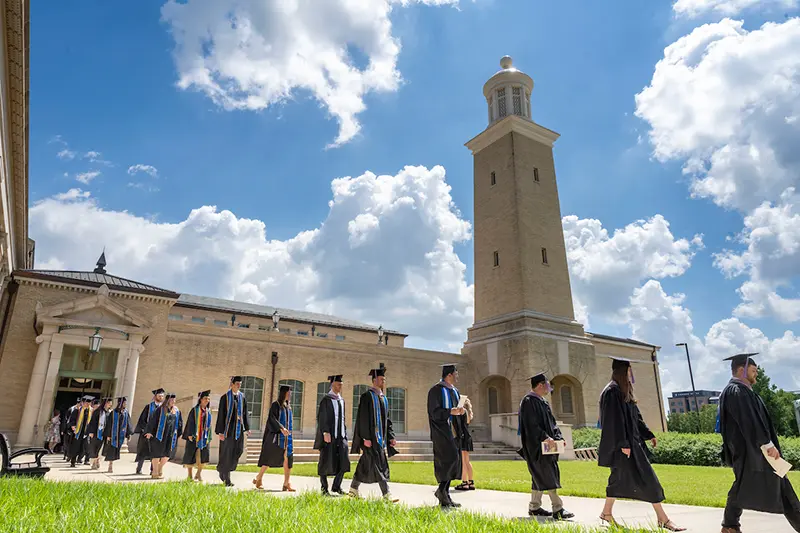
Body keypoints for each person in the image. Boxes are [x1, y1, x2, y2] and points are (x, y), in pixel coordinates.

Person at [598, 358, 685, 531]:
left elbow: (635, 417)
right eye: (629, 370)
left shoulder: (624, 390)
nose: (632, 374)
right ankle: (663, 519)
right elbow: (612, 422)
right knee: (649, 479)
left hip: (632, 444)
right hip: (623, 446)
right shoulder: (611, 391)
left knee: (617, 479)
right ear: (623, 372)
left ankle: (606, 513)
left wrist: (648, 434)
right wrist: (623, 444)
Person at [719, 353, 800, 533]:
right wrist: (767, 444)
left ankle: (730, 525)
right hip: (753, 450)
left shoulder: (740, 390)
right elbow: (749, 421)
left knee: (748, 484)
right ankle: (729, 525)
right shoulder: (737, 391)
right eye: (754, 370)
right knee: (779, 484)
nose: (757, 374)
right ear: (741, 370)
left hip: (752, 450)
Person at [518, 373, 574, 520]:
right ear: (541, 385)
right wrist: (545, 437)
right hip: (536, 446)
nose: (549, 388)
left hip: (549, 446)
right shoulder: (528, 401)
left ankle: (534, 507)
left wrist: (559, 438)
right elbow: (531, 425)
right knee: (548, 474)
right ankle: (558, 508)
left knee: (540, 475)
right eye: (548, 385)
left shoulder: (543, 402)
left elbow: (553, 424)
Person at [350, 367, 398, 502]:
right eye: (381, 379)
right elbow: (363, 419)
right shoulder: (367, 396)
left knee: (365, 464)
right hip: (371, 439)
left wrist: (391, 436)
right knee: (379, 465)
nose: (384, 380)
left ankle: (353, 489)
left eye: (384, 379)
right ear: (374, 380)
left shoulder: (383, 398)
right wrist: (365, 437)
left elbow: (387, 420)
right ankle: (386, 495)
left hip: (380, 439)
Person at [428, 364, 464, 508]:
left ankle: (444, 493)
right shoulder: (435, 391)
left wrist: (461, 412)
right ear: (449, 375)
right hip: (441, 432)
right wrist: (450, 411)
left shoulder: (455, 391)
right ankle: (442, 491)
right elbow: (434, 412)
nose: (457, 376)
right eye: (456, 374)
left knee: (454, 460)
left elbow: (455, 411)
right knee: (448, 460)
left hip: (454, 432)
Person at [253, 384, 295, 491]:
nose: (290, 395)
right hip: (276, 438)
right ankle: (259, 478)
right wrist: (281, 428)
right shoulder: (276, 405)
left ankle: (287, 483)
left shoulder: (288, 407)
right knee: (268, 459)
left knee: (288, 459)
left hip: (287, 439)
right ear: (284, 393)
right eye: (288, 392)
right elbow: (272, 419)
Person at [314, 374, 350, 496]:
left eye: (341, 385)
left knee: (344, 461)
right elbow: (322, 417)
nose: (340, 386)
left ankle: (336, 486)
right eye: (339, 384)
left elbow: (343, 418)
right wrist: (325, 432)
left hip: (341, 436)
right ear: (333, 384)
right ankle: (324, 489)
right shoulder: (326, 400)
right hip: (329, 436)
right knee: (325, 461)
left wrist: (345, 434)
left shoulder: (341, 400)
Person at [216, 376, 250, 487]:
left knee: (239, 450)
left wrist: (247, 427)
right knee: (227, 453)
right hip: (228, 431)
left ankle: (223, 470)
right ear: (232, 384)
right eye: (237, 384)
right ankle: (227, 478)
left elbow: (245, 413)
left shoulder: (242, 397)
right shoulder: (225, 397)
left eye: (240, 384)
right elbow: (221, 415)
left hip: (238, 430)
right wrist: (220, 432)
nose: (239, 386)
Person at [145, 393, 182, 479]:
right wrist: (149, 431)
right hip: (159, 435)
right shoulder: (160, 409)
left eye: (174, 400)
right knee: (156, 453)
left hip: (171, 436)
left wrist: (179, 433)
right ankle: (154, 472)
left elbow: (180, 423)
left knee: (167, 454)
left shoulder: (176, 411)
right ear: (167, 400)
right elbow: (152, 420)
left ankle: (160, 468)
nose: (173, 402)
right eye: (172, 400)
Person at [182, 390, 213, 483]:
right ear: (200, 400)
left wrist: (209, 436)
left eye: (208, 399)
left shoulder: (208, 411)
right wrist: (190, 434)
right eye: (205, 398)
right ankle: (189, 475)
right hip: (194, 436)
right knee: (190, 455)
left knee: (204, 455)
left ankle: (198, 473)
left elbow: (209, 425)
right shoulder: (194, 410)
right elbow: (190, 423)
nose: (207, 400)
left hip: (204, 437)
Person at [134, 388, 164, 475]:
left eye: (162, 396)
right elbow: (142, 419)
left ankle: (152, 470)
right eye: (159, 396)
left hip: (157, 434)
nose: (161, 397)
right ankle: (139, 468)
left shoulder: (163, 408)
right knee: (143, 451)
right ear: (155, 396)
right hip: (146, 433)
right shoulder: (149, 407)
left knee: (154, 452)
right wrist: (145, 431)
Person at [103, 397, 132, 473]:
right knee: (111, 450)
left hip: (121, 436)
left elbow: (128, 423)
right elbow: (109, 424)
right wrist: (108, 435)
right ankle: (110, 465)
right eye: (124, 403)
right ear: (120, 403)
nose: (125, 404)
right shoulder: (113, 412)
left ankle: (111, 463)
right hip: (113, 435)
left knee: (116, 450)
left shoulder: (126, 412)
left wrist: (128, 434)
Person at [454, 397, 475, 492]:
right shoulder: (468, 413)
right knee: (467, 461)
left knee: (463, 461)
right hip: (467, 437)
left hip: (462, 438)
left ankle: (464, 482)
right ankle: (471, 482)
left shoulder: (463, 411)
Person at [87, 397, 113, 470]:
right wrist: (91, 432)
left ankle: (98, 461)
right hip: (96, 432)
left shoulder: (110, 413)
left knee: (101, 449)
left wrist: (109, 434)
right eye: (109, 403)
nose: (110, 405)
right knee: (95, 448)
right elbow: (92, 422)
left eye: (110, 404)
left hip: (104, 434)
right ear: (105, 403)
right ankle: (94, 462)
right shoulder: (97, 411)